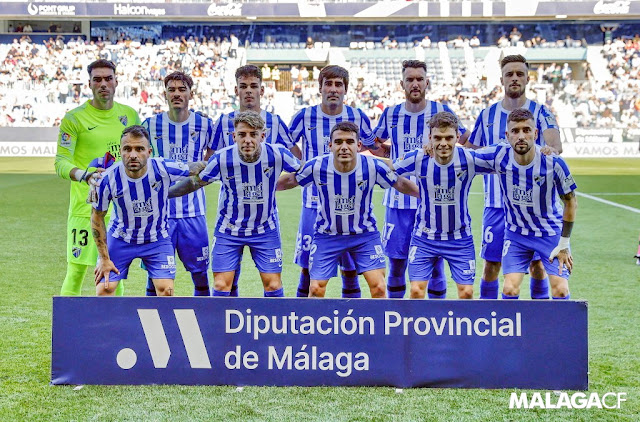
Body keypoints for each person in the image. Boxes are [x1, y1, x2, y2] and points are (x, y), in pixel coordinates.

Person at [277, 121, 418, 298]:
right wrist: (266, 189)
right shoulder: (317, 166)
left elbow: (399, 183)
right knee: (315, 289)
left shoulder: (373, 166)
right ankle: (313, 325)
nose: (344, 147)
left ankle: (379, 325)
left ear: (359, 145)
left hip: (364, 235)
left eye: (349, 142)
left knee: (379, 287)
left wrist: (425, 196)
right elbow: (291, 180)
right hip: (327, 235)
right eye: (338, 142)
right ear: (330, 145)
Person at [168, 111, 301, 297]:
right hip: (229, 230)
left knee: (273, 285)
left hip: (265, 229)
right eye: (242, 134)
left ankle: (273, 325)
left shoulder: (277, 154)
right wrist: (165, 194)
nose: (247, 140)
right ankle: (220, 326)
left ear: (262, 136)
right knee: (222, 285)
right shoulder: (222, 159)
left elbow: (302, 172)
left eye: (253, 134)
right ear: (234, 137)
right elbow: (196, 182)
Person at [464, 54, 563, 300]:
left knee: (538, 266)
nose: (515, 78)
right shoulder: (487, 115)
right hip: (497, 205)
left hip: (535, 209)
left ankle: (535, 323)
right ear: (502, 80)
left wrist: (541, 151)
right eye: (510, 74)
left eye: (520, 74)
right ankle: (490, 322)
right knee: (491, 266)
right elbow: (474, 153)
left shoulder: (542, 112)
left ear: (528, 78)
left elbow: (555, 145)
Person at [373, 60, 469, 299]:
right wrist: (390, 153)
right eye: (410, 79)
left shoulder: (442, 111)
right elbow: (374, 143)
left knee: (436, 266)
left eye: (419, 79)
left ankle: (435, 322)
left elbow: (464, 137)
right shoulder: (391, 114)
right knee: (396, 264)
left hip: (435, 204)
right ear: (402, 84)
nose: (415, 84)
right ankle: (396, 320)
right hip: (398, 203)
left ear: (427, 82)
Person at [288, 65, 382, 298]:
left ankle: (351, 325)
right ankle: (302, 321)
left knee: (350, 269)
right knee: (308, 267)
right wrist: (302, 163)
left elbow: (373, 147)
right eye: (328, 84)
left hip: (352, 206)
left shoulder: (357, 116)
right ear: (320, 88)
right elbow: (286, 145)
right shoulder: (304, 115)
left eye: (338, 84)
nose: (333, 89)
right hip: (313, 204)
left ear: (345, 89)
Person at [210, 64, 300, 296]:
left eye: (253, 86)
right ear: (236, 90)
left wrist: (276, 185)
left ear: (262, 90)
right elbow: (211, 161)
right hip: (230, 215)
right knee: (227, 280)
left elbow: (296, 161)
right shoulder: (223, 122)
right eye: (243, 86)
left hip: (265, 219)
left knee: (271, 282)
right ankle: (227, 328)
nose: (248, 91)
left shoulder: (275, 122)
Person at [54, 59, 141, 296]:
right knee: (76, 272)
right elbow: (60, 162)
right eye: (98, 79)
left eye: (108, 78)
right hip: (85, 208)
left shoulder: (130, 115)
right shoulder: (74, 119)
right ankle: (66, 330)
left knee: (114, 272)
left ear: (116, 81)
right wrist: (84, 175)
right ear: (89, 84)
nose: (103, 84)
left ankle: (111, 329)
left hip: (120, 210)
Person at [474, 108, 577, 300]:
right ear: (507, 135)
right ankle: (510, 330)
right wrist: (434, 147)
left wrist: (564, 243)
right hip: (516, 234)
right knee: (509, 289)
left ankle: (548, 328)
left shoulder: (553, 163)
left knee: (561, 290)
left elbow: (571, 203)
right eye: (515, 131)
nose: (521, 136)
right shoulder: (499, 155)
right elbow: (465, 157)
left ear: (535, 133)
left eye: (527, 130)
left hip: (550, 233)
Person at [91, 125, 206, 296]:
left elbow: (196, 167)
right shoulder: (107, 179)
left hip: (157, 239)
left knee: (166, 290)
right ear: (120, 151)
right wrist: (104, 258)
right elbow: (96, 218)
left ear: (149, 151)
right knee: (104, 290)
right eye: (127, 149)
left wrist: (221, 163)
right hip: (121, 239)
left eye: (139, 149)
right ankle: (114, 324)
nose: (133, 155)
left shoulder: (162, 168)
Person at [393, 112, 492, 299]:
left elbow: (504, 163)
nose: (443, 143)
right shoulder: (418, 157)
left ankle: (459, 328)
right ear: (430, 138)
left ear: (457, 137)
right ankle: (420, 328)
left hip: (460, 238)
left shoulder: (469, 159)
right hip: (424, 238)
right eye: (438, 138)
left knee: (467, 293)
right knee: (415, 291)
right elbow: (388, 172)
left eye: (448, 138)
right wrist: (416, 191)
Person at [141, 71, 215, 297]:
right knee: (156, 278)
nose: (176, 94)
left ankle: (203, 320)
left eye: (182, 89)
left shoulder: (205, 124)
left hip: (194, 213)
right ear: (165, 95)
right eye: (171, 90)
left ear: (191, 94)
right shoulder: (150, 125)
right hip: (160, 215)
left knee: (200, 274)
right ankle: (151, 323)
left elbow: (210, 165)